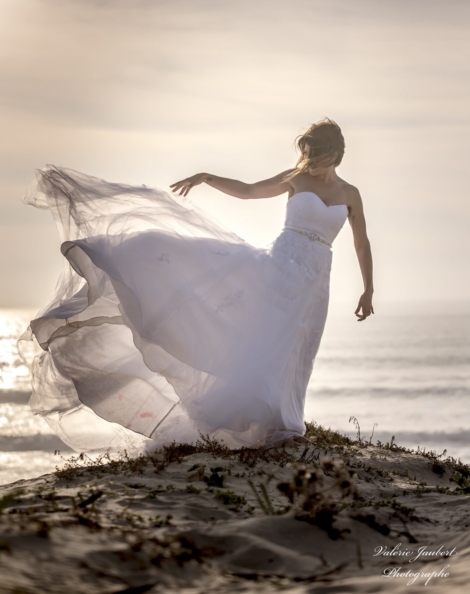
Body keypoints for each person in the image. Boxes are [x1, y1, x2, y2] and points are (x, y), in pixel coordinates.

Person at [18, 118, 373, 454]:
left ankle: (284, 422)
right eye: (306, 152)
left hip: (315, 281)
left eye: (315, 153)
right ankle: (259, 421)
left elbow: (361, 243)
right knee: (266, 341)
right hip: (280, 268)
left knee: (300, 348)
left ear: (334, 154)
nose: (308, 160)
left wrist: (367, 289)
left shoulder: (351, 193)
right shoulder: (295, 178)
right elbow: (250, 192)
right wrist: (207, 177)